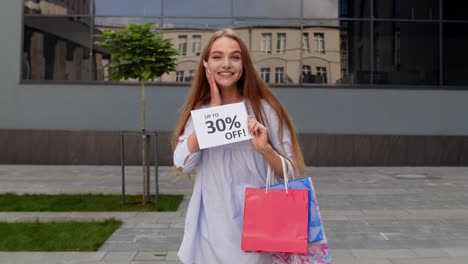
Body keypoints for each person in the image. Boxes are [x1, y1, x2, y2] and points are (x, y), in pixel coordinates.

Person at [172, 29, 307, 264]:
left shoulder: (266, 110)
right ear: (206, 64)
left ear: (244, 64)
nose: (226, 64)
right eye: (217, 57)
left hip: (259, 230)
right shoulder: (201, 113)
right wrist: (211, 116)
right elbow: (182, 163)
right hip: (209, 232)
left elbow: (291, 171)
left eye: (235, 57)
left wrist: (265, 149)